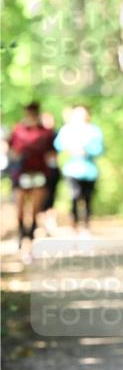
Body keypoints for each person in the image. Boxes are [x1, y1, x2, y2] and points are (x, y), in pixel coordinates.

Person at [8, 101, 55, 261]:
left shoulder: (46, 132)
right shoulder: (18, 130)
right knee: (20, 207)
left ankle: (30, 238)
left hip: (39, 173)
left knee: (35, 209)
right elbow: (11, 149)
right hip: (21, 173)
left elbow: (51, 153)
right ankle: (22, 237)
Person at [54, 105, 104, 234]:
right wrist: (71, 149)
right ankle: (74, 223)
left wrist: (87, 151)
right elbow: (58, 145)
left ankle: (86, 225)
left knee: (88, 198)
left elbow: (99, 148)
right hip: (72, 170)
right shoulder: (67, 130)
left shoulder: (94, 130)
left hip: (89, 171)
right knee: (74, 196)